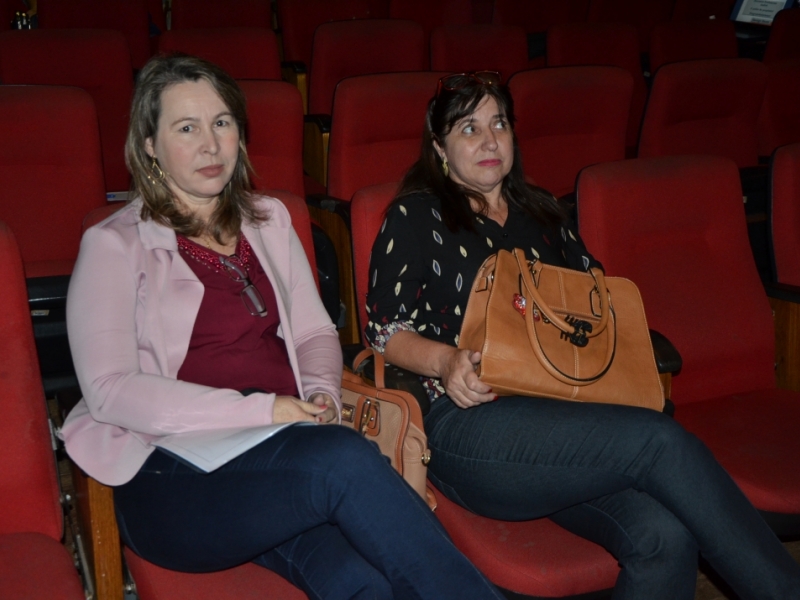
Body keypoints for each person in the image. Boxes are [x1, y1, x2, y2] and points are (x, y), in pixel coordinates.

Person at [59, 54, 504, 600]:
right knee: (342, 460)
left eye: (222, 123)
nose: (210, 145)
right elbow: (109, 392)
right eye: (186, 128)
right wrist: (264, 410)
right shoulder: (113, 245)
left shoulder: (268, 220)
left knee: (361, 583)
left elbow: (315, 333)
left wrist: (320, 396)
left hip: (283, 456)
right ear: (149, 144)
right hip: (170, 475)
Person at [365, 71, 800, 600]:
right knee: (658, 440)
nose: (489, 140)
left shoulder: (545, 212)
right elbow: (383, 331)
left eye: (499, 124)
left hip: (568, 418)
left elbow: (598, 305)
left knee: (664, 537)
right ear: (439, 148)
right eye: (469, 129)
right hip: (472, 426)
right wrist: (446, 362)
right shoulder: (415, 216)